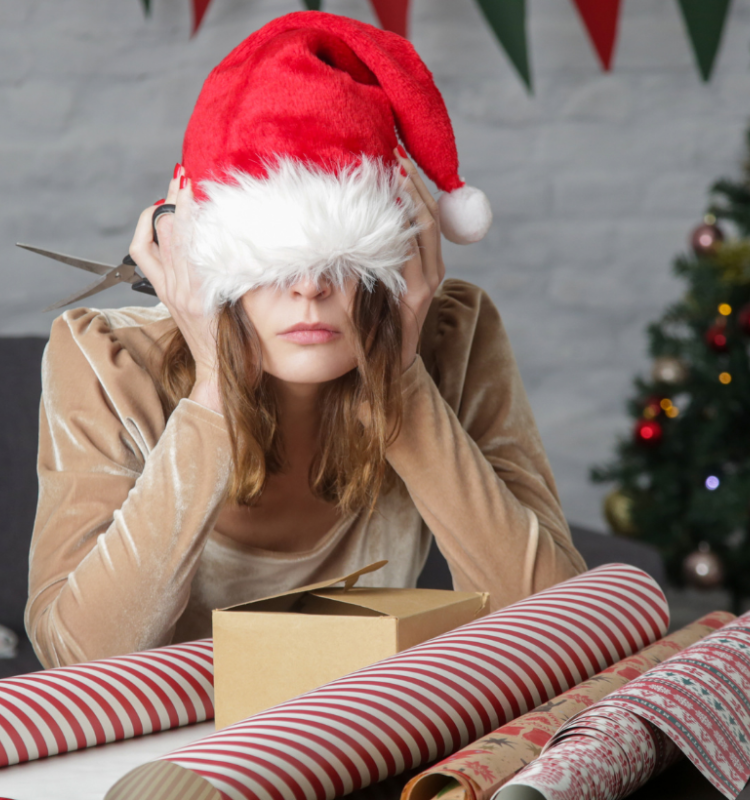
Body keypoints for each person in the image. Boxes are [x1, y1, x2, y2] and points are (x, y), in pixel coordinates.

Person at [25, 11, 586, 669]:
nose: (311, 288)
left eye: (345, 253)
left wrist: (399, 376)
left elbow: (556, 625)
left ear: (397, 252)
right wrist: (212, 387)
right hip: (172, 758)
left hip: (363, 743)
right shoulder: (104, 361)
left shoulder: (452, 336)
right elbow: (76, 656)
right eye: (270, 256)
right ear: (208, 256)